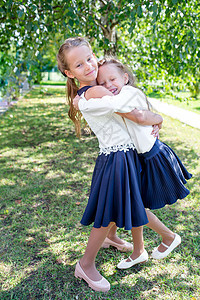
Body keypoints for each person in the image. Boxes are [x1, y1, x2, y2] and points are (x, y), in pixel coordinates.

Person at [57, 37, 184, 292]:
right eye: (79, 65)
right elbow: (137, 115)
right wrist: (158, 118)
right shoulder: (98, 92)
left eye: (90, 58)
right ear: (69, 73)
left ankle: (113, 238)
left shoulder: (90, 91)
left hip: (119, 155)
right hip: (116, 158)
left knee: (119, 203)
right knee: (111, 211)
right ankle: (86, 264)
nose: (89, 66)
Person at [74, 56, 192, 268]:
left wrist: (82, 101)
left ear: (125, 78)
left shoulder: (125, 94)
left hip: (151, 155)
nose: (108, 86)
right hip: (139, 154)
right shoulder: (118, 93)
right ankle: (138, 250)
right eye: (103, 83)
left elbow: (137, 116)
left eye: (113, 79)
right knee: (134, 200)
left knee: (134, 202)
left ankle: (168, 237)